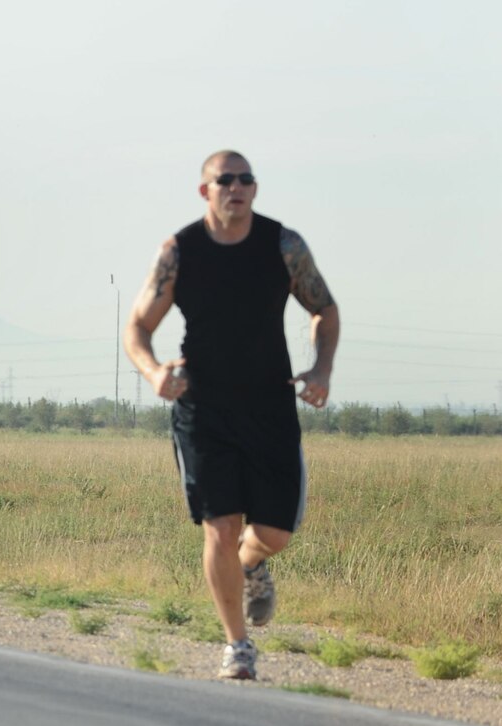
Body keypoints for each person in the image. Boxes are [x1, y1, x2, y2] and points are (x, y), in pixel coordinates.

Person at [125, 150, 341, 681]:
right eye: (225, 180)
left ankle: (252, 564)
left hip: (269, 404)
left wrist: (321, 370)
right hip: (204, 410)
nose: (237, 187)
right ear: (206, 191)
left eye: (246, 179)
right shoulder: (180, 252)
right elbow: (137, 327)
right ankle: (237, 647)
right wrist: (154, 373)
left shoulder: (283, 246)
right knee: (220, 528)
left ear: (255, 189)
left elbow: (324, 310)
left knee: (275, 532)